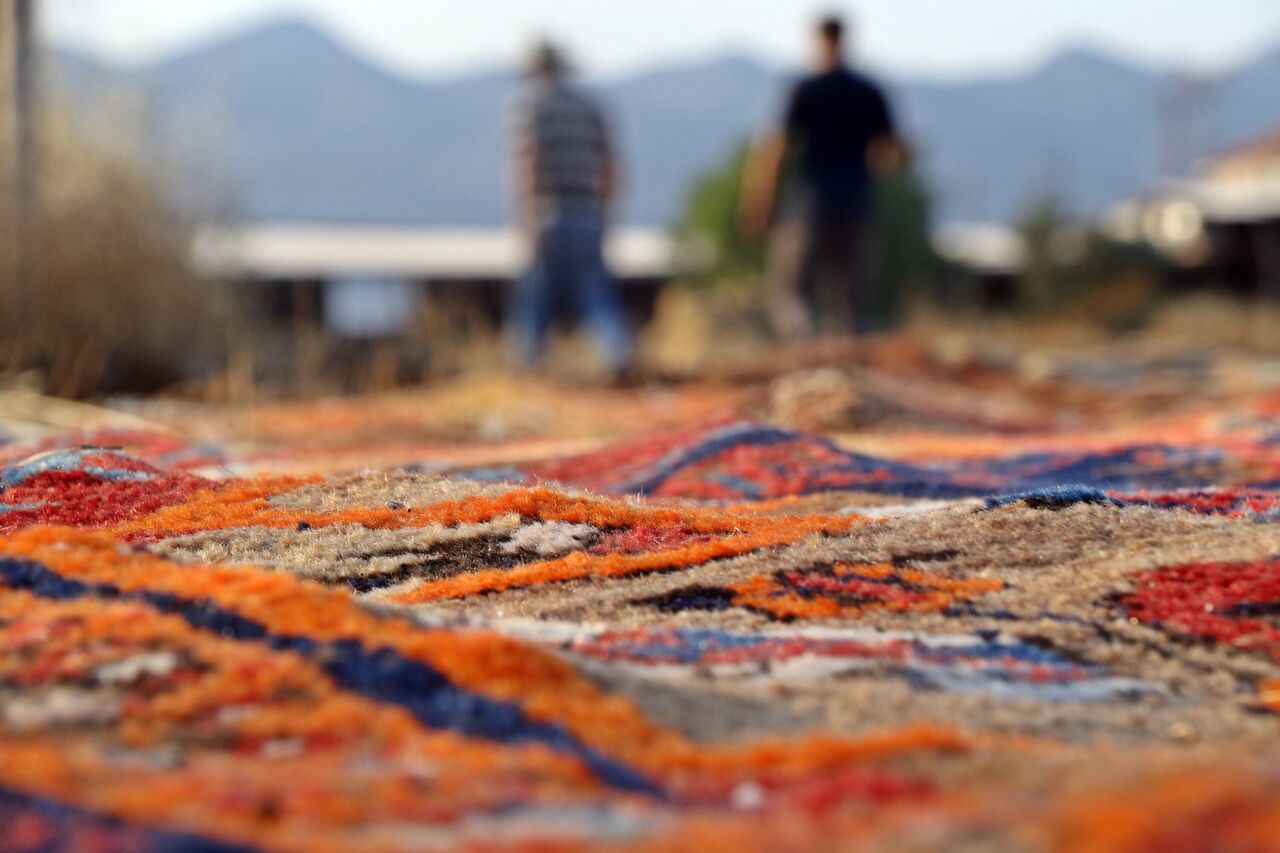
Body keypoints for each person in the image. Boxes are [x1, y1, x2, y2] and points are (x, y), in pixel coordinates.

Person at [740, 14, 901, 339]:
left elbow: (776, 150)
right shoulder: (868, 91)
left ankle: (808, 361)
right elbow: (891, 153)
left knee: (793, 294)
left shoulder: (805, 90)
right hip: (855, 205)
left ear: (818, 41)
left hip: (808, 206)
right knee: (853, 301)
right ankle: (852, 369)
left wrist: (759, 203)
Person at [507, 41, 633, 375]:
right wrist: (605, 214)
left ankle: (528, 366)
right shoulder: (590, 107)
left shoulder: (532, 108)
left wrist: (527, 219)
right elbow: (612, 168)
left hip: (550, 213)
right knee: (597, 296)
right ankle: (619, 356)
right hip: (587, 213)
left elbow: (528, 167)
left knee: (535, 298)